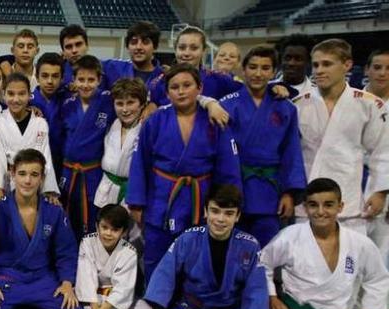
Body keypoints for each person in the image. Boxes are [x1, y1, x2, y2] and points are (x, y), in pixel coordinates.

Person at [263, 178, 389, 309]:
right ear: (305, 207)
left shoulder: (359, 243)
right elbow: (263, 264)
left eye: (328, 205)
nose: (321, 211)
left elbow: (377, 278)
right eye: (313, 205)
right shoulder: (291, 236)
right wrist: (272, 297)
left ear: (340, 206)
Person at [127, 64, 242, 280]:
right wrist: (136, 202)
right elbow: (139, 162)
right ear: (167, 92)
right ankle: (155, 303)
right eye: (174, 87)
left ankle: (189, 303)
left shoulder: (215, 120)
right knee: (155, 255)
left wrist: (226, 206)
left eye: (187, 85)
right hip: (161, 198)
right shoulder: (155, 120)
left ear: (199, 88)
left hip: (199, 199)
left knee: (197, 256)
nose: (181, 91)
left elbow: (228, 168)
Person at [145, 184, 269, 309]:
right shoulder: (188, 239)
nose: (220, 219)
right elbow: (164, 274)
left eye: (228, 213)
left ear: (237, 216)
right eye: (215, 211)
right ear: (205, 211)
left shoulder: (250, 246)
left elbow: (257, 290)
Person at [0, 149, 88, 309]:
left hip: (43, 279)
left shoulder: (53, 211)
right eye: (22, 174)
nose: (27, 181)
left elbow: (66, 252)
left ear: (42, 178)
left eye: (34, 175)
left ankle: (29, 306)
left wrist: (66, 283)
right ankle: (22, 306)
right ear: (12, 174)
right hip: (7, 279)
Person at [294, 39, 389, 235]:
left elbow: (382, 150)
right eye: (316, 64)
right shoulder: (298, 104)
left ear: (347, 65)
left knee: (350, 262)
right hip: (306, 201)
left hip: (349, 201)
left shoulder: (369, 104)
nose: (319, 70)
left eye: (327, 64)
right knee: (304, 262)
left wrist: (380, 192)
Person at [218, 45, 306, 247]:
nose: (258, 73)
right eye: (253, 67)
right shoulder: (226, 105)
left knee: (267, 251)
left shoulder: (286, 107)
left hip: (270, 190)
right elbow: (220, 153)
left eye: (265, 68)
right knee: (232, 249)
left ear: (274, 72)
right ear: (243, 69)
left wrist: (289, 193)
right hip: (235, 184)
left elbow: (291, 152)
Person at [57, 55, 116, 239]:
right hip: (69, 171)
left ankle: (91, 253)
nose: (86, 84)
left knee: (92, 214)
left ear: (99, 80)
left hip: (93, 171)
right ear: (73, 80)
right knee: (67, 213)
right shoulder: (67, 105)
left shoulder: (108, 101)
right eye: (81, 79)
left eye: (91, 80)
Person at [0, 72, 59, 201]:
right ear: (3, 94)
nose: (16, 99)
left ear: (29, 95)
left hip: (33, 182)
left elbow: (45, 156)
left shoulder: (40, 123)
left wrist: (48, 190)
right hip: (6, 183)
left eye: (22, 94)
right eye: (11, 94)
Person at [76, 205, 153, 309]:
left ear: (123, 232)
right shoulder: (87, 242)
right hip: (94, 297)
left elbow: (123, 288)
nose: (108, 233)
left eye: (115, 230)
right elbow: (86, 277)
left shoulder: (129, 251)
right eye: (104, 227)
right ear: (97, 226)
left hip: (117, 300)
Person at [92, 78, 146, 243]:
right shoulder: (112, 124)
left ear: (142, 104)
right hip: (107, 188)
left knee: (133, 242)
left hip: (132, 192)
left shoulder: (147, 126)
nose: (125, 109)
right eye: (119, 103)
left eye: (131, 103)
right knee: (105, 237)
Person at [146, 26, 243, 111]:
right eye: (182, 48)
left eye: (194, 48)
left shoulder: (220, 80)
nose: (187, 53)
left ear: (203, 51)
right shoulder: (159, 82)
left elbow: (248, 97)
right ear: (175, 50)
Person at [362, 49, 389, 263]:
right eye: (377, 67)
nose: (382, 73)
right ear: (367, 70)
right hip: (351, 184)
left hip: (385, 189)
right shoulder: (351, 101)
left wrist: (384, 191)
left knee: (380, 260)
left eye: (388, 69)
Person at [100, 21, 163, 89]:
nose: (138, 47)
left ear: (155, 46)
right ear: (127, 46)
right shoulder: (111, 68)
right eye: (133, 42)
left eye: (145, 42)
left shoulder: (164, 78)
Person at [31, 52, 67, 172]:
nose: (50, 81)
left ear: (62, 78)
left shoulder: (69, 100)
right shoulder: (26, 102)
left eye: (55, 76)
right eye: (45, 76)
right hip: (33, 162)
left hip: (61, 163)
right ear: (37, 76)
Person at [58, 24, 89, 90]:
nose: (74, 50)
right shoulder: (57, 73)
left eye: (78, 44)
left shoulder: (105, 68)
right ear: (63, 51)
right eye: (68, 47)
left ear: (87, 45)